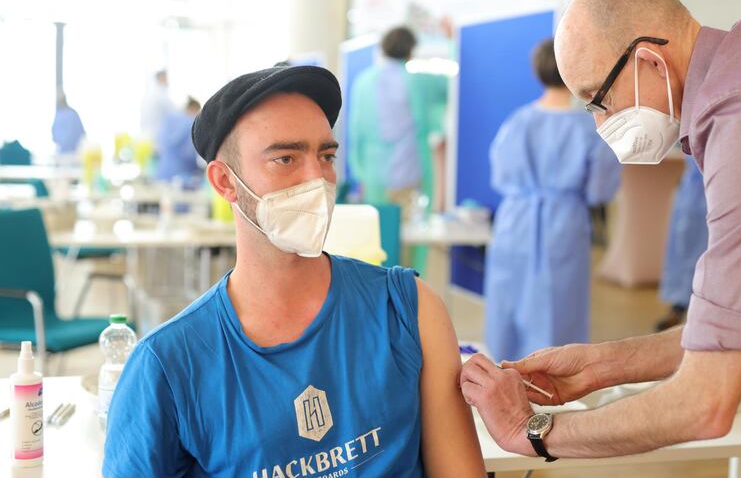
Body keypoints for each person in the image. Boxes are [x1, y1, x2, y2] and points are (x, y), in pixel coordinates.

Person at [461, 0, 741, 461]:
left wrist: (530, 431)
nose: (600, 125)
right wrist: (603, 365)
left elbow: (705, 401)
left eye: (601, 99)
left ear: (648, 61)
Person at [103, 65, 485, 477]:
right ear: (225, 182)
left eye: (326, 156)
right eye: (285, 158)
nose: (316, 179)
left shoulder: (406, 309)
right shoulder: (170, 364)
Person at [484, 38, 620, 363]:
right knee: (558, 308)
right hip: (564, 221)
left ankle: (503, 379)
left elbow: (499, 175)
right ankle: (552, 386)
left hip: (513, 222)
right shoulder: (588, 127)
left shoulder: (516, 122)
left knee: (508, 304)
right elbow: (600, 190)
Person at [348, 26, 448, 269]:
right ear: (411, 51)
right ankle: (408, 300)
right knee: (411, 251)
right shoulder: (418, 81)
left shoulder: (363, 82)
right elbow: (452, 86)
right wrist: (451, 40)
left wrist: (360, 173)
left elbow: (355, 134)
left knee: (377, 246)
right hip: (410, 178)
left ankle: (380, 302)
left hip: (374, 180)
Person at [655, 156, 708, 331]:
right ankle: (678, 308)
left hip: (717, 191)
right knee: (683, 253)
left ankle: (703, 316)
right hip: (692, 191)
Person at [154, 97, 202, 186]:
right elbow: (189, 154)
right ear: (193, 109)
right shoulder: (190, 123)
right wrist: (198, 169)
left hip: (163, 171)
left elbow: (160, 142)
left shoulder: (170, 118)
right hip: (181, 174)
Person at [140, 69, 175, 140]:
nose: (167, 81)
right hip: (155, 137)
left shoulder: (149, 94)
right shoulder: (159, 94)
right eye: (165, 78)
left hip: (146, 136)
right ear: (161, 78)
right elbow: (174, 111)